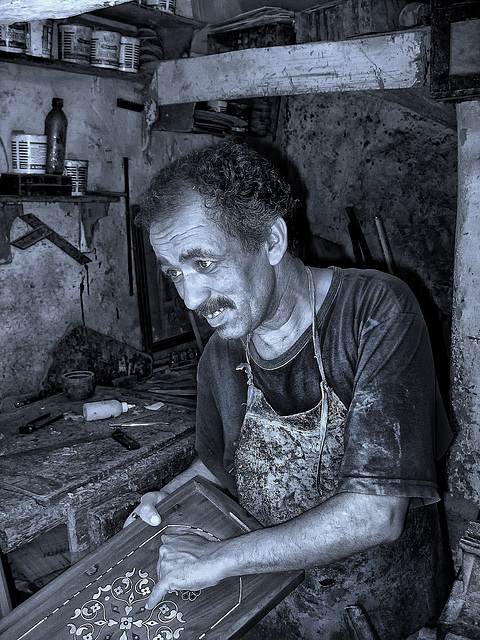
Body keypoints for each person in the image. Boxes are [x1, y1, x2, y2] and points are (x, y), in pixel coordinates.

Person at [126, 141, 453, 640]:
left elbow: (377, 513)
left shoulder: (373, 312)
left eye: (205, 264)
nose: (191, 297)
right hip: (279, 606)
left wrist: (219, 558)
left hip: (383, 609)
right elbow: (219, 466)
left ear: (272, 240)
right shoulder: (223, 352)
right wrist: (165, 503)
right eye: (174, 272)